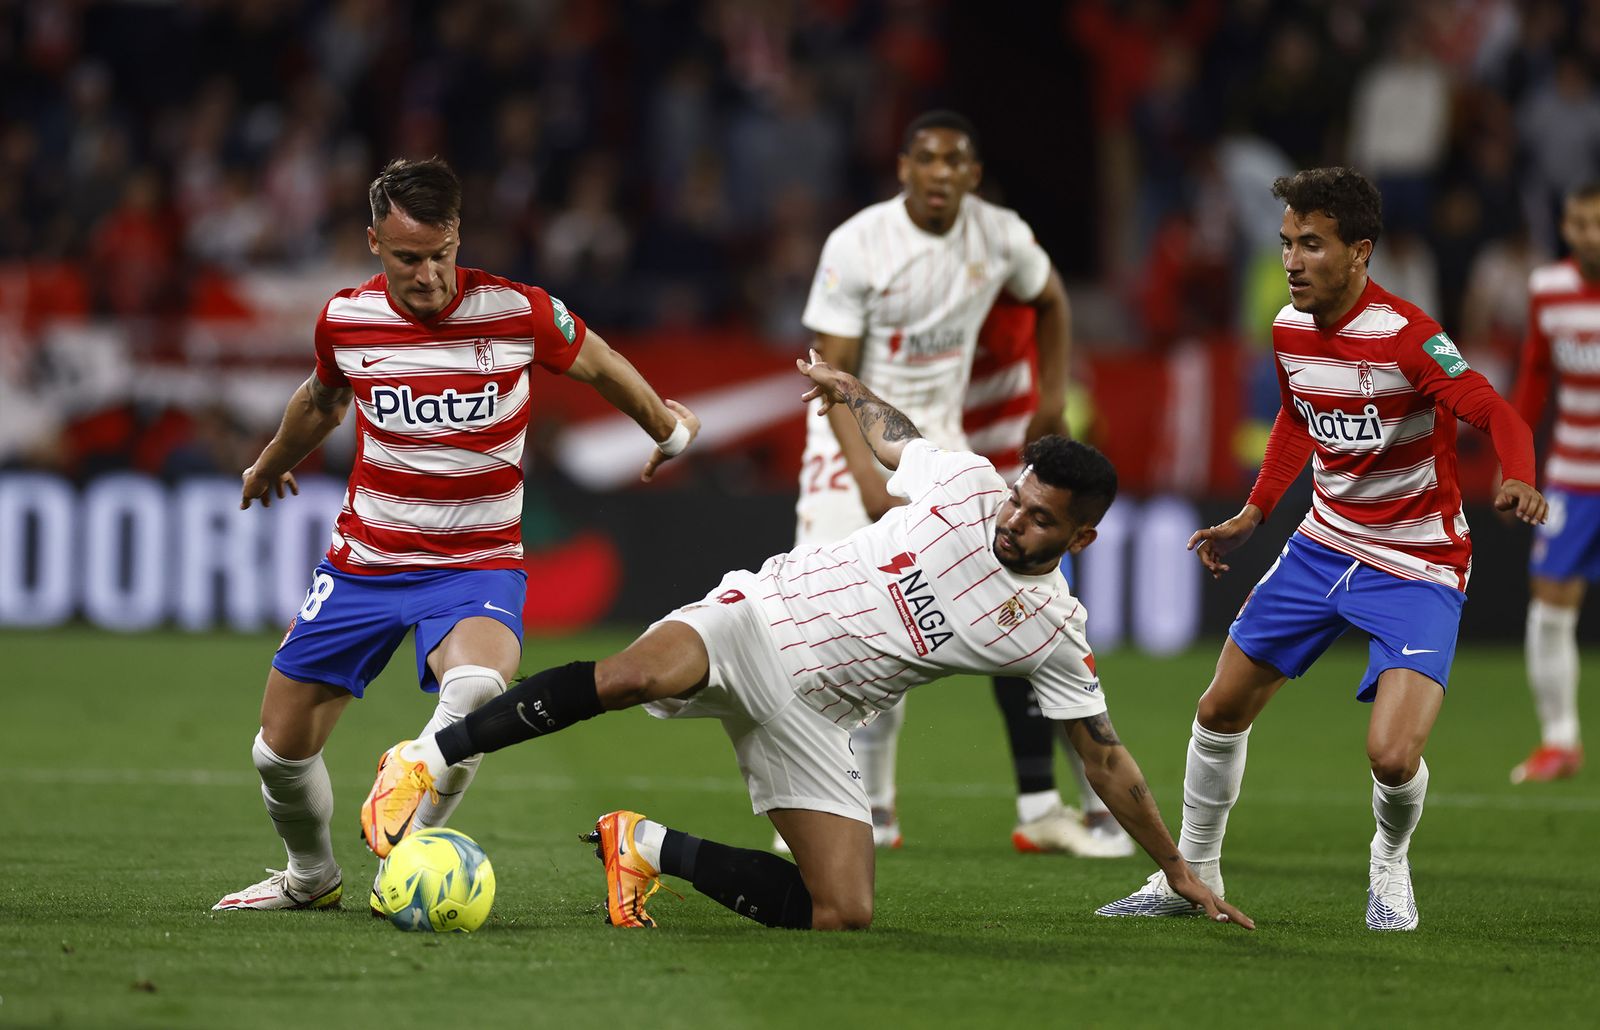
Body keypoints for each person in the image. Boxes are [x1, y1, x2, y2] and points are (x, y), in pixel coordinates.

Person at [358, 352, 1255, 933]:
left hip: (822, 715)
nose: (1014, 520)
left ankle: (641, 847)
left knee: (842, 910)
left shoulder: (1053, 628)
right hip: (762, 619)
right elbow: (899, 438)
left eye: (1039, 519)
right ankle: (431, 755)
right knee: (636, 673)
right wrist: (853, 391)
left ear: (1082, 539)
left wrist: (1175, 867)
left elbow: (1104, 761)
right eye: (1020, 499)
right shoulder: (968, 483)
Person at [212, 158, 697, 913]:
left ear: (458, 236)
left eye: (441, 255)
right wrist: (271, 462)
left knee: (475, 693)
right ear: (374, 241)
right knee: (276, 753)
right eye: (409, 258)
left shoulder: (517, 311)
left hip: (476, 563)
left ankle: (400, 865)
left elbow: (598, 363)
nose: (430, 275)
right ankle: (311, 877)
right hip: (367, 562)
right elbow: (321, 399)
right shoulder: (346, 319)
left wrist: (666, 429)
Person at [1098, 167, 1547, 932]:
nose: (1293, 261)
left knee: (1392, 757)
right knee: (1218, 708)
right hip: (1323, 545)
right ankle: (1190, 875)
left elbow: (1495, 410)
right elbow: (1296, 417)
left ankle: (1388, 864)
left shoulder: (1408, 337)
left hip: (1417, 560)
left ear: (1360, 251)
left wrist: (1519, 476)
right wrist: (1255, 511)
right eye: (1285, 244)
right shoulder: (1288, 328)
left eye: (1312, 244)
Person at [793, 109, 1078, 852]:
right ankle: (857, 805)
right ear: (904, 168)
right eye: (928, 159)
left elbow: (1051, 298)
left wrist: (1052, 399)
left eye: (956, 161)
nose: (942, 173)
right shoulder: (858, 244)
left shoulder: (1000, 234)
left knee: (920, 623)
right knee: (825, 629)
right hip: (848, 439)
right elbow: (831, 380)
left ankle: (902, 809)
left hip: (935, 446)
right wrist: (863, 478)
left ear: (973, 176)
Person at [966, 297, 1132, 857]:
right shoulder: (1028, 385)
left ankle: (1080, 809)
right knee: (1044, 664)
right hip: (1004, 529)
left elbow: (1081, 469)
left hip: (1026, 536)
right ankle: (1069, 809)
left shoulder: (1031, 387)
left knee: (1045, 663)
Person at [1507, 180, 1600, 784]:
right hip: (1571, 476)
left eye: (1597, 222)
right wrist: (1518, 465)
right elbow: (1535, 376)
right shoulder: (1548, 289)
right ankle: (1560, 741)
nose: (1589, 234)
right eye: (1578, 223)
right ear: (1565, 228)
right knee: (1549, 605)